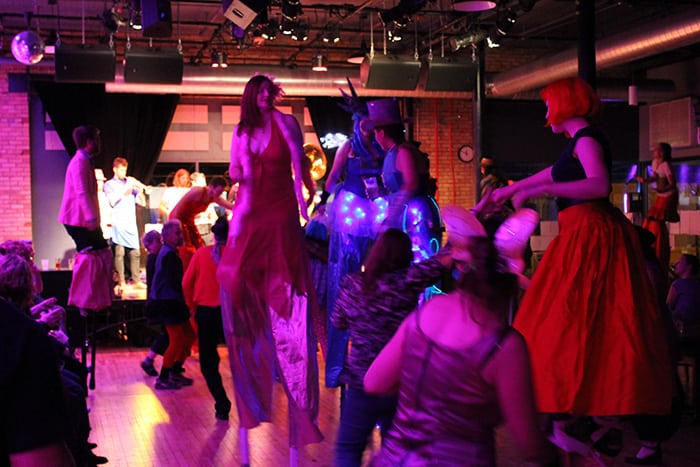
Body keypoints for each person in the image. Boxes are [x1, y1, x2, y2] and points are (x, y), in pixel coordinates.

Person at [491, 77, 673, 461]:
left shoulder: (587, 139)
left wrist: (538, 191)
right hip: (582, 232)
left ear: (564, 105)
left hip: (592, 234)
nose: (545, 114)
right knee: (574, 321)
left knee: (577, 320)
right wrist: (509, 190)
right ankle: (584, 414)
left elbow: (598, 185)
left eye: (547, 105)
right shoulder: (577, 143)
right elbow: (549, 176)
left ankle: (588, 413)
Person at [363, 206, 558, 466]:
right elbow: (530, 446)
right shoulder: (504, 346)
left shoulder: (427, 313)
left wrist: (425, 394)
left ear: (461, 267)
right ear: (511, 282)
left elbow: (374, 382)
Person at [217, 74, 322, 465]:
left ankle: (296, 427)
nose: (264, 96)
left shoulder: (287, 123)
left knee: (290, 312)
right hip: (251, 216)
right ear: (250, 96)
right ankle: (248, 418)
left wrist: (305, 202)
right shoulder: (243, 131)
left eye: (268, 90)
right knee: (238, 297)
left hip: (279, 219)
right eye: (258, 91)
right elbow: (237, 175)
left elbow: (298, 167)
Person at [332, 228, 451, 466]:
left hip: (361, 381)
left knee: (349, 449)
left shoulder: (353, 285)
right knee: (396, 452)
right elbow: (442, 262)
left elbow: (338, 321)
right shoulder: (408, 280)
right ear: (406, 256)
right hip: (400, 381)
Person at [322, 80, 386, 389]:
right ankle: (335, 368)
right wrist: (336, 200)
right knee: (342, 286)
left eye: (373, 124)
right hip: (351, 218)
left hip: (376, 218)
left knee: (377, 283)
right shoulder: (348, 147)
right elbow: (330, 180)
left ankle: (377, 363)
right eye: (365, 123)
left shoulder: (382, 147)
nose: (369, 128)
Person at [362, 98, 442, 264]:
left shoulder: (404, 151)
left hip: (414, 214)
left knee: (418, 260)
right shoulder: (394, 152)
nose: (376, 138)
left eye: (376, 134)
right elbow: (399, 185)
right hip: (402, 213)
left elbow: (410, 183)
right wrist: (381, 193)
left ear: (382, 133)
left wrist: (392, 213)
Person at [182, 216, 231, 421]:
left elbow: (186, 283)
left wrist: (192, 307)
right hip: (230, 313)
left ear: (213, 235)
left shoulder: (202, 254)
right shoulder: (235, 254)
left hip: (206, 312)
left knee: (208, 361)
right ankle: (248, 406)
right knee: (240, 359)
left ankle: (221, 402)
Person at [149, 220, 196, 390]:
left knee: (188, 336)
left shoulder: (169, 253)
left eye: (180, 233)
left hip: (171, 301)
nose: (180, 236)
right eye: (177, 233)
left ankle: (174, 371)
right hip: (168, 302)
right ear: (167, 236)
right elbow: (174, 282)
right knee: (176, 340)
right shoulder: (169, 255)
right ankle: (163, 377)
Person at [168, 176, 234, 269]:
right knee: (186, 249)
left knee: (198, 245)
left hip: (189, 221)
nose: (219, 194)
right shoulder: (198, 191)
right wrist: (177, 227)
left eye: (221, 192)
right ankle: (185, 271)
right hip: (177, 219)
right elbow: (178, 208)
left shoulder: (214, 197)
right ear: (211, 186)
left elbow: (230, 206)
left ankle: (197, 269)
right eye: (219, 191)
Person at [103, 157, 147, 288]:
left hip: (130, 222)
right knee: (119, 252)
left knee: (135, 252)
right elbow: (112, 201)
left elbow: (141, 203)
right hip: (118, 222)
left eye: (125, 170)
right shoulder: (109, 184)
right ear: (115, 169)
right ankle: (121, 281)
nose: (124, 172)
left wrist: (140, 191)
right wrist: (128, 186)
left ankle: (136, 280)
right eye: (121, 170)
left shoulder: (128, 183)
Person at [637, 142, 679, 272]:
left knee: (655, 218)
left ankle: (658, 246)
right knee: (651, 218)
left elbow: (672, 183)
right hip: (662, 195)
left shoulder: (666, 165)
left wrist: (661, 190)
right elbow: (654, 177)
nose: (653, 151)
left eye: (656, 150)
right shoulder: (655, 162)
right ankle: (649, 242)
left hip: (669, 195)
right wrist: (644, 181)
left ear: (662, 152)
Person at [139, 229, 169, 378]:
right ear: (151, 243)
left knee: (168, 333)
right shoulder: (154, 259)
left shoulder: (153, 258)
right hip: (157, 301)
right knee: (167, 333)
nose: (161, 243)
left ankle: (169, 363)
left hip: (155, 300)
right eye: (158, 241)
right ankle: (149, 360)